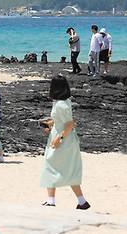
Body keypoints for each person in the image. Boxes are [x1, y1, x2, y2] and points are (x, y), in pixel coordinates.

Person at [40, 76, 90, 209]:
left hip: (63, 139)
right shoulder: (62, 102)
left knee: (52, 165)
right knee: (63, 168)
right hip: (62, 136)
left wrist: (59, 139)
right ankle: (81, 201)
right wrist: (50, 124)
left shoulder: (61, 104)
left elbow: (70, 124)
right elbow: (64, 121)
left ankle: (53, 200)